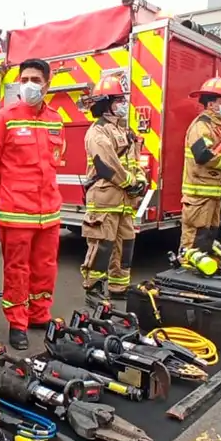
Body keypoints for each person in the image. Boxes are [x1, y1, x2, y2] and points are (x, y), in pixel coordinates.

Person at [0, 59, 65, 350]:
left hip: (49, 210)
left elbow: (54, 159)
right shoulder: (5, 117)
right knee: (18, 270)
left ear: (47, 84)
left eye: (36, 79)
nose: (30, 84)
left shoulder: (55, 119)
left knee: (46, 266)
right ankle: (18, 323)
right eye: (25, 78)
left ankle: (40, 315)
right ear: (18, 82)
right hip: (16, 211)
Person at [79, 72, 148, 299]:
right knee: (102, 246)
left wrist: (141, 180)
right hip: (105, 198)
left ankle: (118, 287)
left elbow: (134, 160)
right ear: (105, 104)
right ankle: (93, 286)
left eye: (122, 99)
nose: (123, 104)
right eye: (118, 100)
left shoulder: (123, 131)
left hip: (125, 201)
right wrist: (130, 183)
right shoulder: (97, 132)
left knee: (125, 245)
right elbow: (107, 165)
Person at [181, 77, 221, 253]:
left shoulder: (218, 127)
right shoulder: (201, 126)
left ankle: (201, 269)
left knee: (208, 236)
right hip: (200, 195)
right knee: (195, 238)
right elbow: (203, 155)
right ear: (211, 104)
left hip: (213, 193)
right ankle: (187, 273)